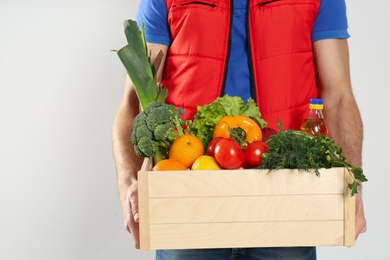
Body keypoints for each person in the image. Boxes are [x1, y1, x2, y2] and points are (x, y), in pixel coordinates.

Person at [112, 0, 367, 259]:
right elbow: (136, 99)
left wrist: (352, 183)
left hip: (285, 202)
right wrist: (128, 183)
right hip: (187, 202)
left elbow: (337, 96)